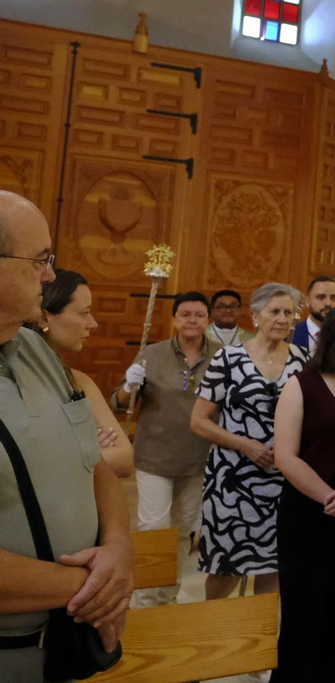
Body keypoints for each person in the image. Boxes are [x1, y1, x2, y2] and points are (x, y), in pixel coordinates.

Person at [0, 192, 134, 682]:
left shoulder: (36, 350)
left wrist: (118, 549)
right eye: (39, 260)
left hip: (63, 645)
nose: (50, 274)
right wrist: (93, 586)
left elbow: (94, 465)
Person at [272, 302, 335, 681]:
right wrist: (330, 497)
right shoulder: (302, 384)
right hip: (306, 512)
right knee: (303, 607)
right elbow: (286, 455)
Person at [191, 282, 307, 600]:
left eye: (289, 312)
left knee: (273, 567)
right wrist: (246, 444)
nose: (282, 319)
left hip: (283, 480)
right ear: (255, 316)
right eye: (274, 312)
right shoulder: (227, 359)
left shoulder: (303, 360)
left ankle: (259, 641)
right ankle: (214, 636)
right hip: (232, 480)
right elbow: (198, 422)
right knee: (226, 568)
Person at [114, 290, 218, 606]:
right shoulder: (152, 353)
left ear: (208, 319)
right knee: (154, 528)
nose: (192, 320)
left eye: (199, 314)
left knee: (182, 531)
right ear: (174, 318)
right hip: (154, 458)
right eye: (185, 314)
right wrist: (129, 385)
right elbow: (118, 402)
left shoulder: (223, 355)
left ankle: (167, 594)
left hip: (198, 459)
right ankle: (145, 598)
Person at [29, 269, 133, 477]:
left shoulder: (78, 382)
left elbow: (124, 459)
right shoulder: (12, 381)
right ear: (44, 318)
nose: (93, 324)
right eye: (84, 313)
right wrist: (86, 448)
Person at [292, 276, 335, 354]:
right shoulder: (291, 335)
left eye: (333, 298)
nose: (328, 303)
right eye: (321, 297)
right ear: (307, 301)